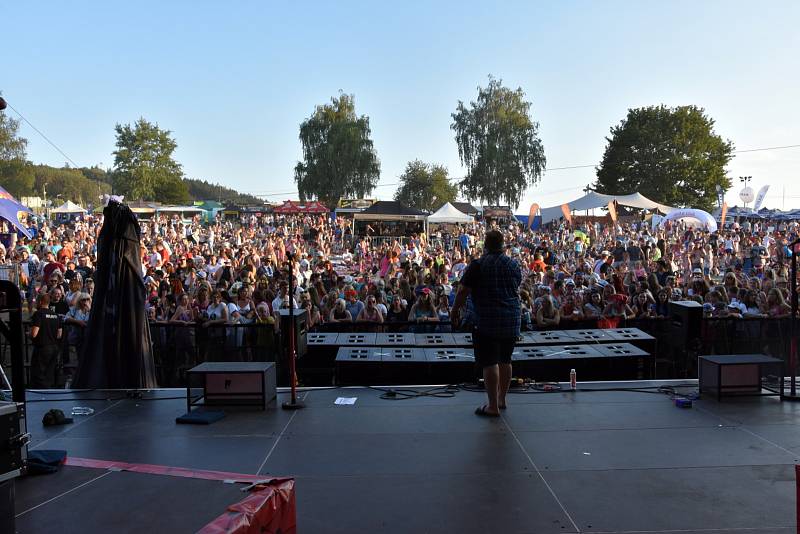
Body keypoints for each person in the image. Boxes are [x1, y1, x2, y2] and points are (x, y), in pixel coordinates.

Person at [452, 230, 521, 418]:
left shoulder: (478, 265)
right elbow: (516, 287)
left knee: (489, 362)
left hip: (487, 318)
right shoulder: (514, 264)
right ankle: (502, 399)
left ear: (486, 245)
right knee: (505, 359)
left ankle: (492, 406)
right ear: (503, 244)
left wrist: (455, 311)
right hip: (511, 318)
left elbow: (463, 291)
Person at [30, 294, 62, 388]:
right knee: (49, 373)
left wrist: (28, 334)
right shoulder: (56, 315)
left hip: (42, 348)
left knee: (38, 374)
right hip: (54, 348)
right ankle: (49, 393)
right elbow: (59, 335)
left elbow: (34, 333)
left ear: (40, 302)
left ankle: (39, 395)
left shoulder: (39, 314)